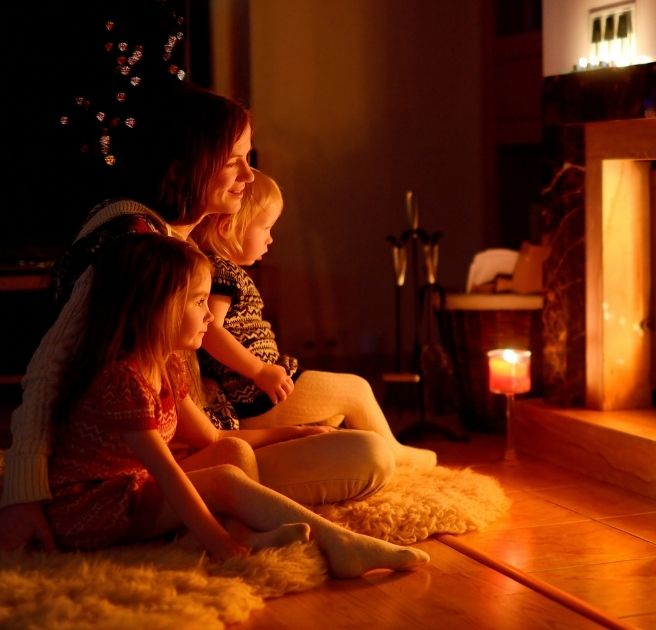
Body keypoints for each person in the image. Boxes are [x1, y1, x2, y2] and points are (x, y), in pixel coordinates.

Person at [0, 84, 389, 552]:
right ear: (181, 166)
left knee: (348, 432)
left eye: (248, 157)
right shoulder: (132, 246)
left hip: (193, 431)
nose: (249, 175)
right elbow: (47, 372)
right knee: (365, 456)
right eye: (233, 162)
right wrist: (21, 496)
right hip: (130, 468)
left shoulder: (177, 234)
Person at [46, 233, 428, 575]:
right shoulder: (121, 380)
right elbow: (167, 475)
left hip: (131, 490)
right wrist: (219, 545)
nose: (211, 316)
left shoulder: (165, 365)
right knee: (224, 479)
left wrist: (294, 432)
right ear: (156, 308)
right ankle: (335, 544)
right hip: (92, 508)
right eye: (198, 301)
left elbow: (212, 437)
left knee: (232, 449)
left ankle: (245, 531)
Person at [191, 170, 438, 469]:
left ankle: (365, 456)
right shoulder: (220, 272)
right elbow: (210, 331)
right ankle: (395, 454)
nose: (270, 238)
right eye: (266, 227)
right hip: (257, 396)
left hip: (262, 388)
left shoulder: (221, 271)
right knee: (356, 390)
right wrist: (258, 370)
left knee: (333, 414)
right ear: (227, 227)